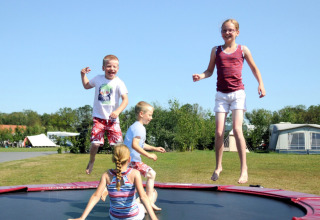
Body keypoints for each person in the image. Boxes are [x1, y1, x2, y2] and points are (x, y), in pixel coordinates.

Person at [192, 19, 266, 184]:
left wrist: (260, 83)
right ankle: (218, 166)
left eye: (230, 30)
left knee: (236, 129)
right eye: (224, 30)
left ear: (237, 32)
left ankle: (244, 169)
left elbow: (254, 68)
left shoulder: (243, 50)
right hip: (221, 95)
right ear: (221, 33)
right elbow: (210, 70)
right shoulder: (216, 50)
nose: (227, 33)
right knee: (219, 132)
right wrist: (201, 76)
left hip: (238, 93)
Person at [68, 144, 158, 220]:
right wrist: (154, 218)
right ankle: (149, 202)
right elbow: (143, 197)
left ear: (113, 160)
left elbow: (96, 196)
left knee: (135, 199)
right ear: (129, 159)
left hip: (115, 217)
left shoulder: (106, 175)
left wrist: (82, 218)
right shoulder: (134, 173)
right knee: (152, 193)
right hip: (133, 217)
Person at [81, 55, 129, 174]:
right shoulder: (98, 79)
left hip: (113, 120)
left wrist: (117, 111)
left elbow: (125, 100)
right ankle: (91, 161)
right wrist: (83, 75)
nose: (112, 68)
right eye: (109, 66)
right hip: (99, 119)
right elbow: (86, 86)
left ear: (118, 68)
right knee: (95, 143)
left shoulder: (119, 82)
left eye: (115, 66)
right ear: (103, 68)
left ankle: (121, 168)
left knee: (118, 147)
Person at [124, 101, 166, 210]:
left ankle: (140, 201)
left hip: (128, 161)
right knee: (151, 174)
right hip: (133, 161)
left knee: (133, 183)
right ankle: (149, 201)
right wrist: (149, 155)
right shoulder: (139, 128)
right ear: (141, 114)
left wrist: (154, 148)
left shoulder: (136, 126)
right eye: (150, 115)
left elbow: (141, 144)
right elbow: (135, 145)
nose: (151, 118)